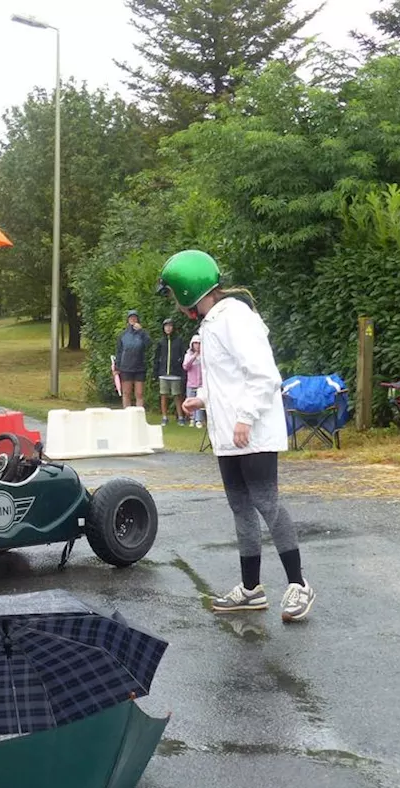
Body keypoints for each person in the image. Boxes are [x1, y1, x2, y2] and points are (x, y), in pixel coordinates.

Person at [159, 249, 315, 622]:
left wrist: (245, 418)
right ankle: (250, 590)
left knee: (267, 504)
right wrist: (203, 399)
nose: (173, 303)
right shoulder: (211, 325)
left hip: (253, 433)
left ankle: (299, 584)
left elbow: (263, 375)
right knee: (241, 508)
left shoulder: (236, 319)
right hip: (230, 436)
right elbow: (229, 380)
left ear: (186, 291)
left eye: (172, 294)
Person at [113, 310, 150, 409]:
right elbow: (119, 351)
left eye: (135, 317)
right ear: (128, 320)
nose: (133, 319)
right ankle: (127, 414)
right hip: (126, 367)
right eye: (131, 318)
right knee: (126, 393)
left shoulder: (142, 334)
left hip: (139, 367)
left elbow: (148, 345)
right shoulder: (123, 335)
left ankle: (139, 415)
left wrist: (142, 332)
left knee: (139, 393)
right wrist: (116, 367)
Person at [154, 317, 187, 424]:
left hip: (176, 373)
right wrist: (156, 372)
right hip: (163, 373)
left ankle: (181, 417)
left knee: (177, 395)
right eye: (166, 326)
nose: (168, 328)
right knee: (163, 395)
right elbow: (156, 357)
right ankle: (164, 417)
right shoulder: (161, 342)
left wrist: (181, 369)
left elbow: (183, 355)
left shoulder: (179, 341)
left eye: (170, 326)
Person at [182, 334, 205, 429]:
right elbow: (185, 366)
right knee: (190, 401)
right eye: (195, 343)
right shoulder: (188, 355)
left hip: (201, 384)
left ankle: (199, 420)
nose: (197, 345)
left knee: (199, 401)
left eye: (199, 343)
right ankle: (191, 418)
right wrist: (194, 356)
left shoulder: (204, 356)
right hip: (191, 383)